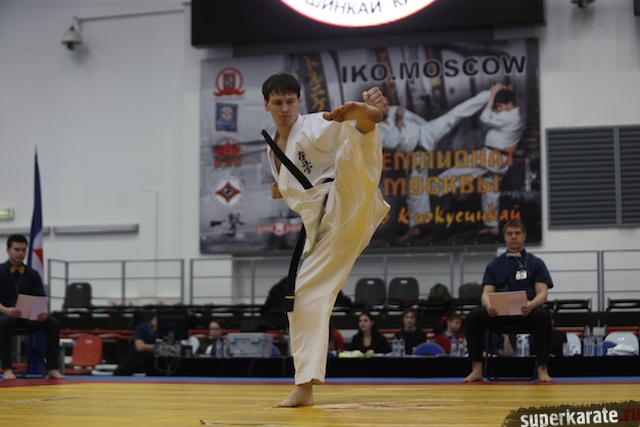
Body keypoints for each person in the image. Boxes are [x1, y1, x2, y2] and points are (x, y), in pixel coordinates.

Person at [263, 72, 390, 407]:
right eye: (278, 102)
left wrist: (365, 116)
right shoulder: (272, 146)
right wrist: (281, 189)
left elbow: (338, 133)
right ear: (267, 105)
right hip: (327, 228)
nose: (285, 108)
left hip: (343, 200)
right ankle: (305, 385)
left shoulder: (313, 125)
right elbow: (297, 180)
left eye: (290, 101)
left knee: (351, 156)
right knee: (304, 296)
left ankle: (368, 117)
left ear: (299, 102)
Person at [377, 90, 491, 244]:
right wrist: (399, 120)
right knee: (415, 190)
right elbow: (393, 142)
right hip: (415, 153)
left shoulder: (394, 110)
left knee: (454, 115)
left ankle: (489, 94)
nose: (387, 108)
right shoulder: (376, 128)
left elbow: (417, 119)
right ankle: (416, 228)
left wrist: (431, 133)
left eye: (387, 104)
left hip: (426, 132)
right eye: (384, 106)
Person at [463, 219, 553, 382]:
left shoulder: (536, 263)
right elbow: (486, 293)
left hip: (525, 313)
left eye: (517, 233)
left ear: (524, 236)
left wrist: (531, 304)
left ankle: (542, 369)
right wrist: (488, 305)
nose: (514, 237)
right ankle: (477, 369)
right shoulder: (494, 264)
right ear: (504, 237)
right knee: (474, 317)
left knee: (543, 317)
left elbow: (543, 293)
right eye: (510, 233)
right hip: (498, 314)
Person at [437, 83, 524, 235]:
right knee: (490, 191)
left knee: (461, 169)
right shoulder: (514, 114)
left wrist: (493, 95)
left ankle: (434, 187)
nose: (498, 109)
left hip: (491, 155)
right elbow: (495, 113)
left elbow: (484, 117)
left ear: (510, 105)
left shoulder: (509, 116)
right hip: (500, 159)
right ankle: (492, 226)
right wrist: (502, 93)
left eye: (500, 106)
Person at [0, 234, 64, 380]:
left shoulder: (33, 274)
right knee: (4, 323)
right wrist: (6, 310)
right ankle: (7, 369)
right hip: (5, 314)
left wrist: (44, 311)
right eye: (17, 249)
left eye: (23, 250)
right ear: (8, 250)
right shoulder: (1, 271)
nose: (20, 253)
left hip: (27, 316)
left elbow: (41, 298)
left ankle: (52, 368)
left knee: (53, 323)